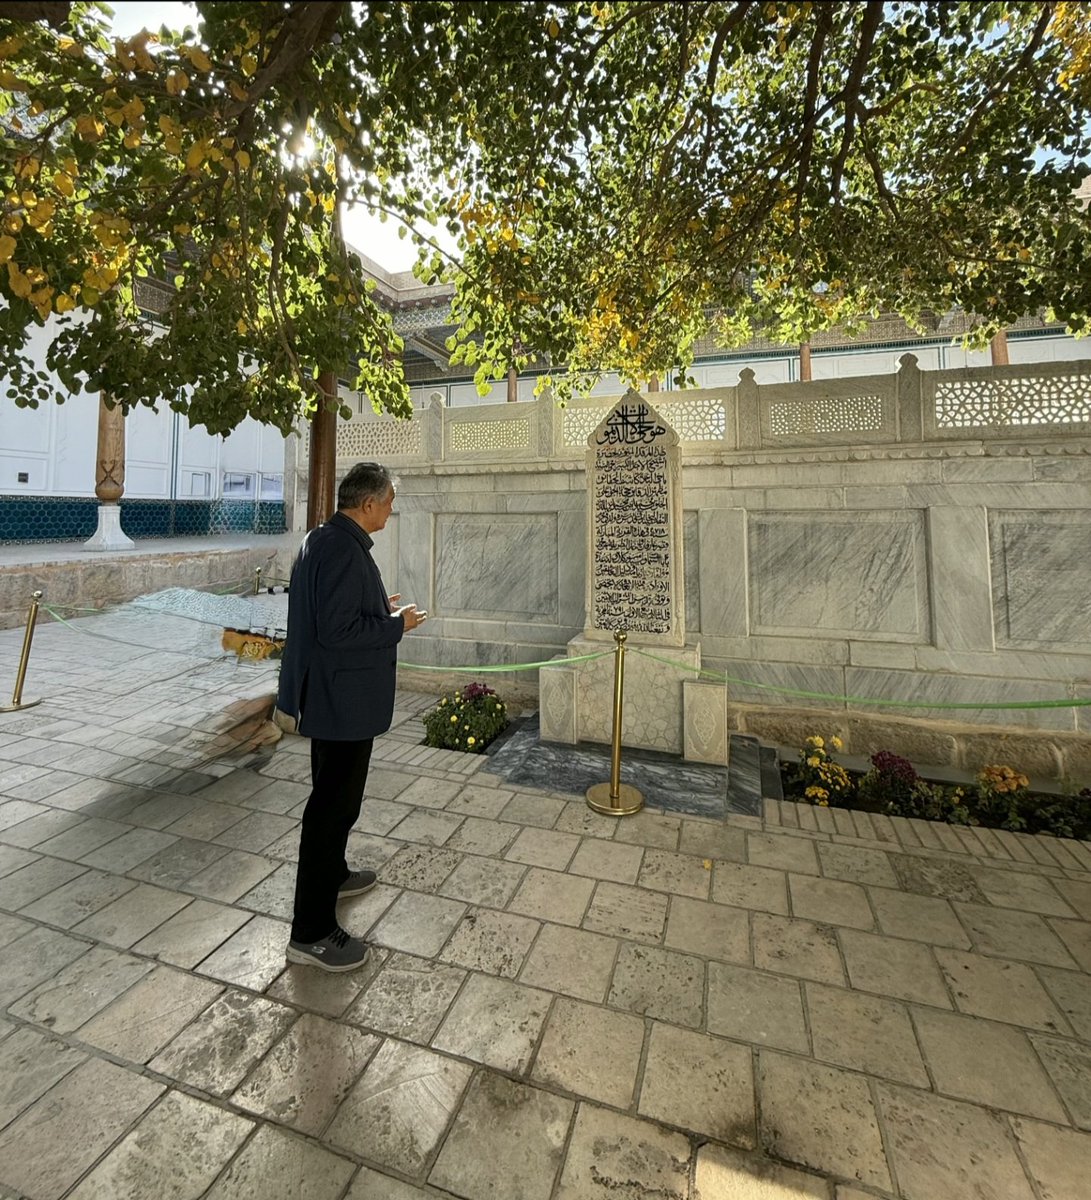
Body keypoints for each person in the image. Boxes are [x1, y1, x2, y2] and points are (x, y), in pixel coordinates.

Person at [277, 461, 427, 971]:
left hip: (330, 697)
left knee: (336, 803)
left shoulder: (328, 539)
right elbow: (339, 632)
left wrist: (378, 608)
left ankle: (334, 875)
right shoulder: (342, 548)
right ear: (367, 504)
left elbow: (334, 614)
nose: (389, 511)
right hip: (341, 702)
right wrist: (396, 625)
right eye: (388, 503)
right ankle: (311, 933)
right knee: (331, 811)